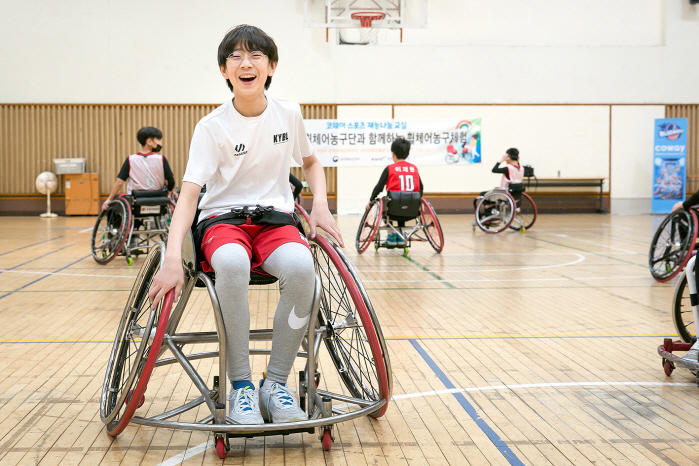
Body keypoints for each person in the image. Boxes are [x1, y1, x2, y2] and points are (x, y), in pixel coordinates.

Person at [147, 25, 343, 426]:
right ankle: (241, 388)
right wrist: (171, 256)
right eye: (235, 56)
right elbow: (188, 195)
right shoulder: (211, 127)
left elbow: (310, 162)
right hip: (224, 221)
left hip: (275, 221)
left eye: (255, 55)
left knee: (304, 268)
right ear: (223, 70)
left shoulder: (289, 113)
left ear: (271, 67)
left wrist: (320, 205)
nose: (246, 63)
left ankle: (275, 385)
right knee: (233, 265)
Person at [366, 137, 423, 247]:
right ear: (407, 153)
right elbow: (421, 187)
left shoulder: (390, 168)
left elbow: (378, 188)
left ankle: (392, 236)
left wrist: (371, 200)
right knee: (405, 201)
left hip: (392, 212)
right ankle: (401, 235)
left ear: (393, 154)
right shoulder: (414, 169)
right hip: (412, 211)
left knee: (386, 203)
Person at [102, 126, 175, 211]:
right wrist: (170, 190)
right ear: (149, 142)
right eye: (158, 140)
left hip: (136, 199)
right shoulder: (161, 159)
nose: (160, 143)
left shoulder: (130, 159)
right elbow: (170, 181)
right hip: (158, 198)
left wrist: (109, 199)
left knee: (114, 205)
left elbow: (119, 182)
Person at [472, 148, 524, 225]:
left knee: (483, 194)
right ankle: (492, 210)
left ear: (508, 157)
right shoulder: (522, 168)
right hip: (515, 194)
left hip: (505, 193)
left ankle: (491, 214)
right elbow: (516, 169)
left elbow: (494, 170)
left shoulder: (508, 168)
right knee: (490, 194)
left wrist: (501, 160)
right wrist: (517, 161)